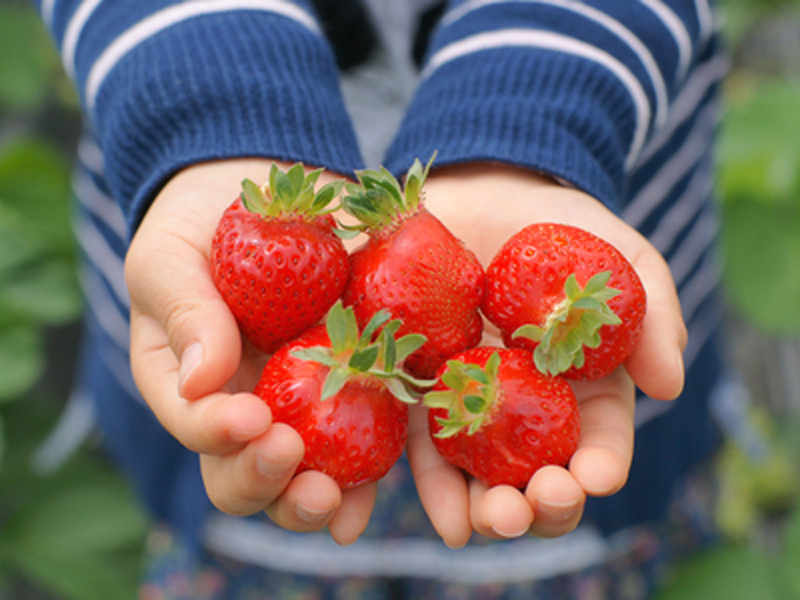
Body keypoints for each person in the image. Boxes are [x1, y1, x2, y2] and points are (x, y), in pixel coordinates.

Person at [34, 0, 729, 597]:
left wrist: (523, 124)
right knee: (252, 479)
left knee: (581, 534)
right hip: (262, 355)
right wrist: (215, 119)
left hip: (587, 152)